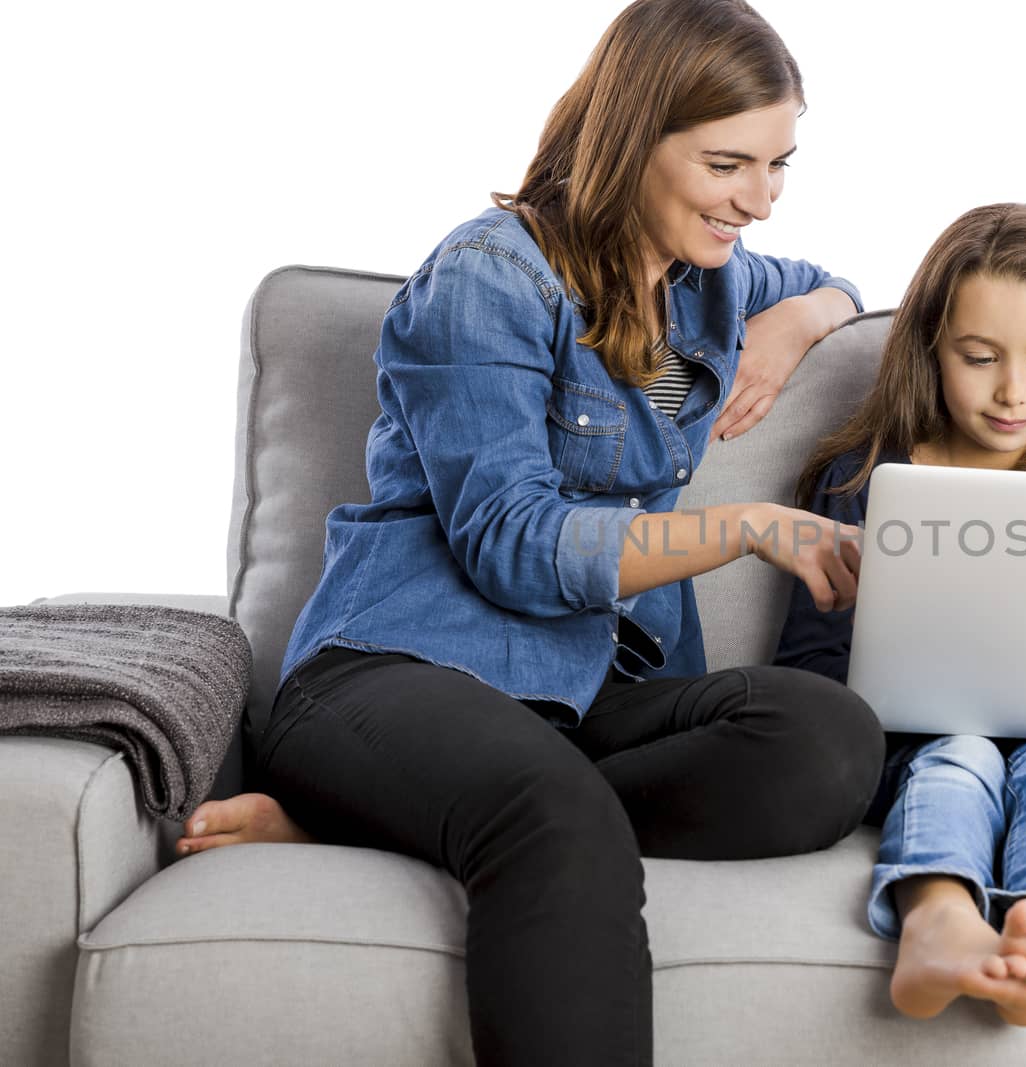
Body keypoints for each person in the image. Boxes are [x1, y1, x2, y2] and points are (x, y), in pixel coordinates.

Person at [175, 2, 885, 1063]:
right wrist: (743, 525)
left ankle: (382, 820)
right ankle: (449, 807)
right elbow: (514, 539)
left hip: (583, 695)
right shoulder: (487, 279)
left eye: (779, 164)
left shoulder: (712, 279)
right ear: (632, 135)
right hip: (398, 670)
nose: (759, 201)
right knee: (558, 815)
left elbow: (838, 283)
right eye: (728, 163)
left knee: (829, 743)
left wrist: (797, 319)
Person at [774, 202, 1026, 1027]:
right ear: (931, 344)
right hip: (913, 745)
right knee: (960, 755)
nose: (1011, 391)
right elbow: (806, 667)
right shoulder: (862, 478)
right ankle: (936, 919)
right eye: (980, 356)